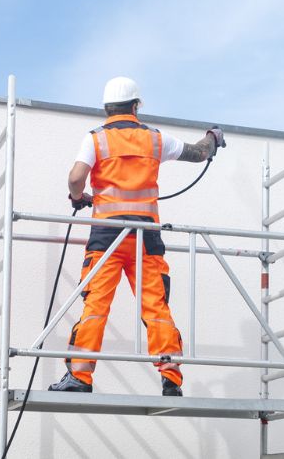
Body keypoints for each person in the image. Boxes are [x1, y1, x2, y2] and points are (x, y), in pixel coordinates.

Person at [48, 77, 223, 397]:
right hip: (145, 237)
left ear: (106, 107)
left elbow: (75, 177)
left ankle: (80, 378)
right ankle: (171, 378)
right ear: (136, 105)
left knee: (96, 305)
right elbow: (199, 153)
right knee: (155, 307)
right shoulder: (155, 139)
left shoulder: (96, 139)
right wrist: (212, 138)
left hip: (107, 237)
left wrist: (79, 197)